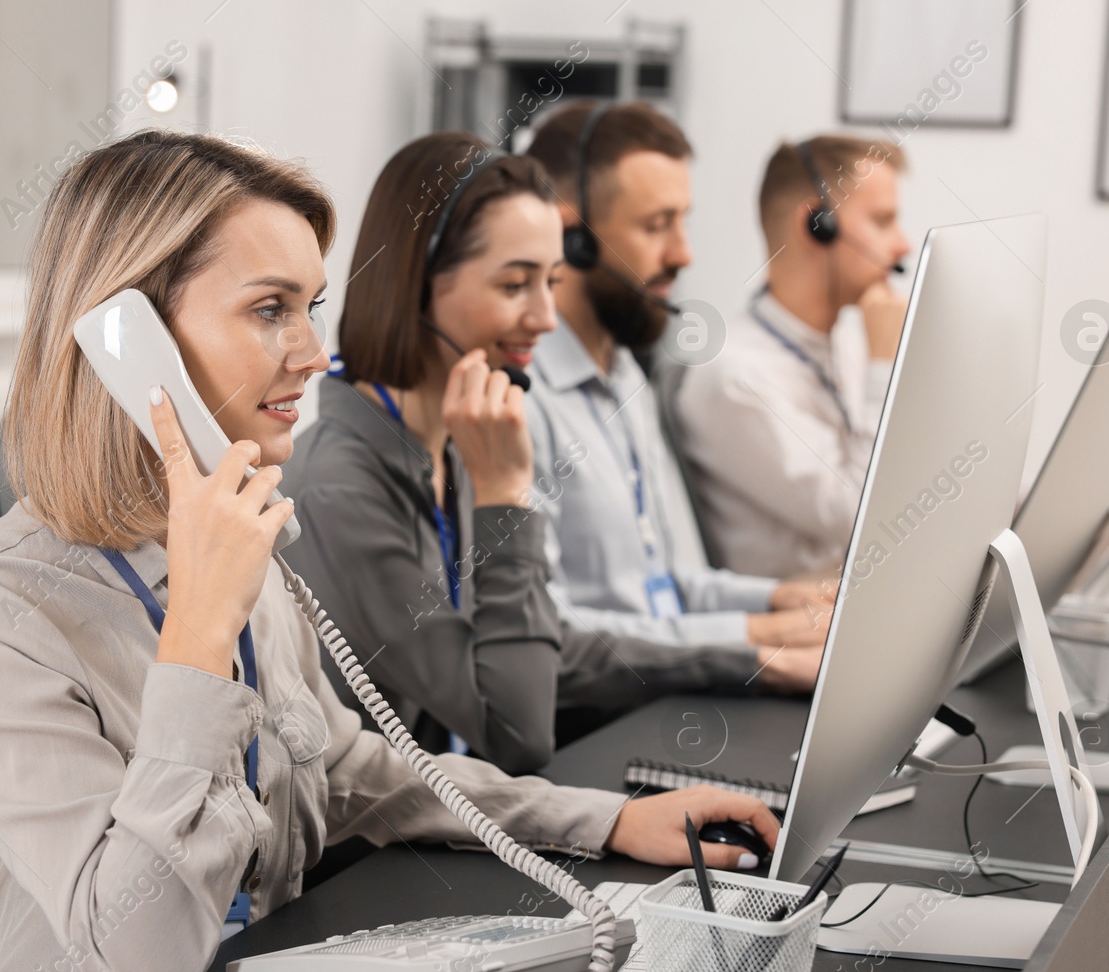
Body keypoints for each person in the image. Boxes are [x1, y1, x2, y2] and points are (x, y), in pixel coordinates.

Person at [0, 130, 780, 972]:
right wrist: (199, 631)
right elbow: (147, 957)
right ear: (130, 342)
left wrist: (605, 820)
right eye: (270, 310)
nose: (312, 352)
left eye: (311, 307)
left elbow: (346, 766)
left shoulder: (242, 541)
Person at [282, 133, 808, 775]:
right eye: (514, 284)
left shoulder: (451, 438)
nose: (545, 316)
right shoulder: (341, 489)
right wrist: (506, 495)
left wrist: (751, 661)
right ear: (417, 285)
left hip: (472, 813)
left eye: (551, 282)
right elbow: (516, 731)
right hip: (370, 858)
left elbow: (542, 645)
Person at [521, 102, 831, 666]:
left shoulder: (622, 374)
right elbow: (548, 630)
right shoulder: (521, 398)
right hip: (595, 725)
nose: (683, 253)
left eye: (681, 221)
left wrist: (783, 601)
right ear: (572, 238)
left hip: (665, 691)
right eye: (656, 225)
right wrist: (757, 645)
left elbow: (666, 587)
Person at [676, 136, 911, 579]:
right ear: (818, 224)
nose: (903, 245)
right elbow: (865, 519)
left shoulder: (847, 343)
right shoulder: (736, 378)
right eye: (883, 222)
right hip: (803, 635)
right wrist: (887, 366)